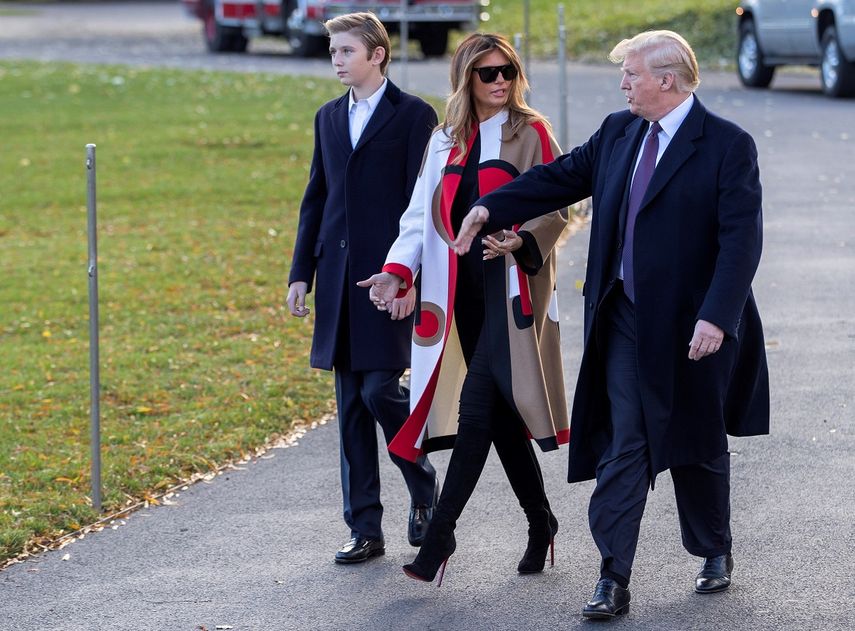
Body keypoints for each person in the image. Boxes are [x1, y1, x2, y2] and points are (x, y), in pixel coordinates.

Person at [453, 30, 769, 618]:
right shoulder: (620, 132)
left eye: (632, 75)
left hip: (694, 325)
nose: (622, 84)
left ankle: (713, 548)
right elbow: (560, 177)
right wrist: (489, 206)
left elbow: (740, 242)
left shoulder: (726, 145)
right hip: (623, 315)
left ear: (667, 80)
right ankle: (612, 576)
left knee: (695, 442)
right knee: (627, 441)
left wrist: (717, 318)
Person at [358, 33, 569, 586]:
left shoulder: (532, 132)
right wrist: (397, 270)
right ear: (466, 78)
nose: (500, 82)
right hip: (462, 301)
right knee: (499, 419)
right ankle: (540, 521)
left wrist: (520, 241)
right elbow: (418, 217)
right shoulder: (444, 139)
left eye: (508, 71)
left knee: (478, 410)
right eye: (488, 73)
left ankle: (441, 536)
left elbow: (557, 207)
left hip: (512, 296)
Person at [286, 12, 438, 565]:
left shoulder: (415, 116)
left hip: (387, 280)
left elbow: (421, 203)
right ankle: (365, 528)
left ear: (377, 54)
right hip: (338, 282)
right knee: (350, 406)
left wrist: (409, 278)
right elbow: (316, 196)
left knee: (380, 392)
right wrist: (301, 272)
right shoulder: (328, 117)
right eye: (333, 50)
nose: (336, 58)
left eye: (347, 50)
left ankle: (422, 483)